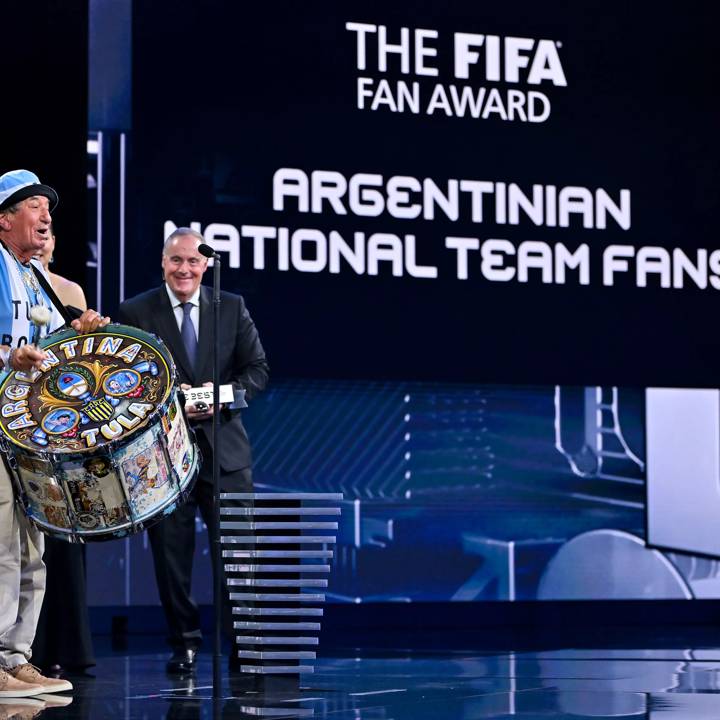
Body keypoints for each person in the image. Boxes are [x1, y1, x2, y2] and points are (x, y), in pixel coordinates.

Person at [118, 227, 269, 674]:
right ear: (163, 263)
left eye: (193, 261)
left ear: (206, 266)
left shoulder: (232, 306)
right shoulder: (135, 310)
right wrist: (165, 397)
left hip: (225, 451)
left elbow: (258, 369)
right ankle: (183, 642)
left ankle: (243, 643)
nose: (185, 269)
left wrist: (222, 394)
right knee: (171, 555)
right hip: (163, 456)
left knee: (239, 553)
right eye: (176, 260)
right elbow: (122, 380)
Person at [0, 169, 110, 697]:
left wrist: (75, 332)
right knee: (2, 546)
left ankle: (18, 658)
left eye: (49, 207)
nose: (46, 215)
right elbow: (13, 351)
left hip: (30, 432)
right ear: (4, 219)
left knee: (32, 546)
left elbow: (44, 350)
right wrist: (6, 356)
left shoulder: (33, 275)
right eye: (33, 206)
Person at [32, 222, 95, 675]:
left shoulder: (68, 289)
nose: (44, 239)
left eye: (51, 231)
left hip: (62, 426)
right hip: (20, 418)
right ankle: (23, 652)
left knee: (63, 537)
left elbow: (81, 360)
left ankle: (66, 648)